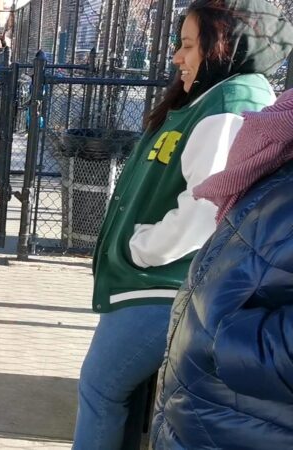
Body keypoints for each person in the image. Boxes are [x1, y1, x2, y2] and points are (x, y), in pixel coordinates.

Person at [72, 1, 293, 448]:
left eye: (188, 45)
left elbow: (205, 208)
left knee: (100, 389)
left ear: (224, 47)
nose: (177, 56)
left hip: (159, 283)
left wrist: (142, 247)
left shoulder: (235, 102)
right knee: (120, 396)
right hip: (150, 283)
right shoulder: (215, 96)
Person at [152, 88, 293, 449]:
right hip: (209, 413)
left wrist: (220, 344)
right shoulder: (278, 139)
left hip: (241, 420)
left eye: (186, 44)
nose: (176, 57)